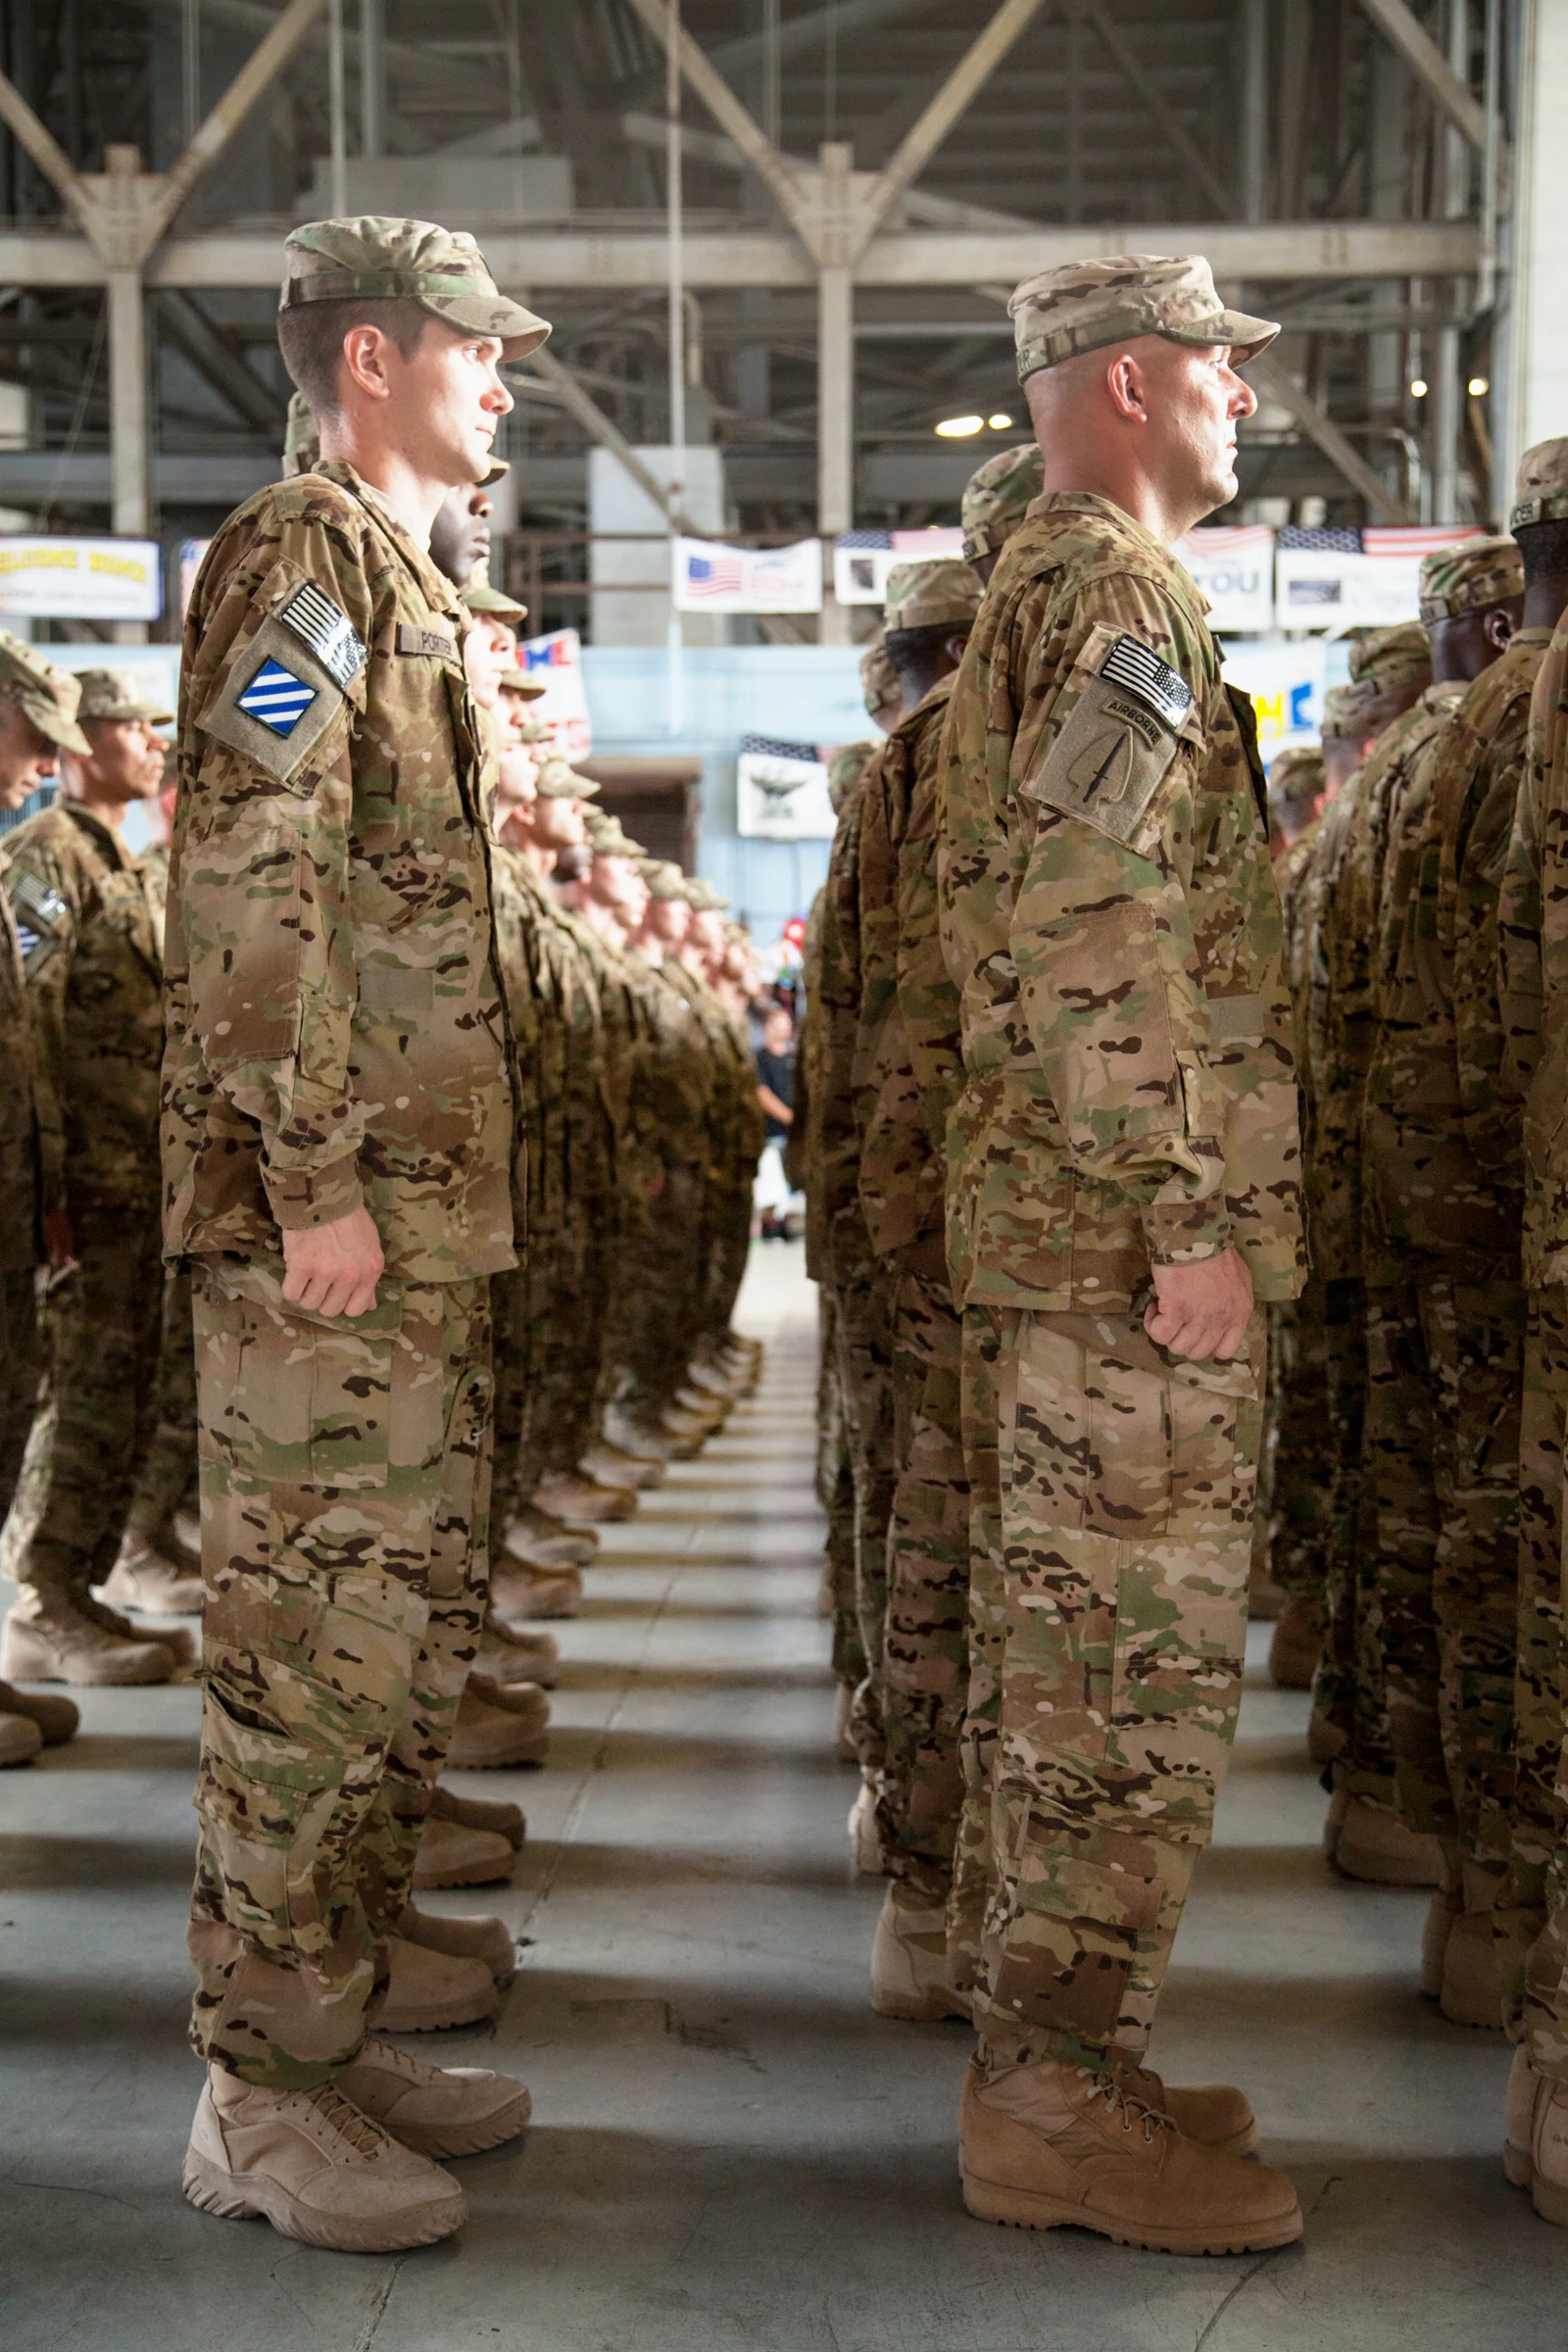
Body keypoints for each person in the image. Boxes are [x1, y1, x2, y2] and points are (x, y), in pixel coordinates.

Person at [166, 215, 551, 2254]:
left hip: (407, 1226)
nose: (507, 377)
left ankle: (333, 2017)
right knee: (305, 1659)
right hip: (330, 1225)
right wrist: (307, 1175)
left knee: (382, 1653)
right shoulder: (302, 558)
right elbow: (250, 878)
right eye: (482, 348)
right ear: (380, 355)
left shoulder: (401, 580)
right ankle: (259, 2091)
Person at [937, 253, 1305, 2253]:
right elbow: (1086, 916)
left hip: (1074, 1243)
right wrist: (1186, 1212)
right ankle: (1054, 2100)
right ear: (1131, 382)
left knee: (1081, 1672)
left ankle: (1059, 2060)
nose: (1240, 402)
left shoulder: (1074, 592)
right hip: (1120, 1259)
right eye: (1217, 374)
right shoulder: (1110, 593)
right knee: (1117, 1689)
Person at [1358, 535, 1534, 2026]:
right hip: (1510, 1215)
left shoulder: (1413, 769)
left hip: (1445, 1210)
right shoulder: (1521, 724)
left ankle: (1480, 1895)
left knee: (1453, 1534)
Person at [0, 667, 191, 1687]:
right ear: (83, 746)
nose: (154, 743)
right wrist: (51, 1184)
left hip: (139, 1180)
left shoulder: (122, 860)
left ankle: (80, 1586)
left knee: (121, 1394)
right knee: (74, 1397)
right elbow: (30, 1022)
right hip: (87, 1184)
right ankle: (40, 1600)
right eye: (137, 728)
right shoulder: (45, 858)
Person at [850, 557, 982, 2021]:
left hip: (942, 1205)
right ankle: (944, 1894)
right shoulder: (965, 742)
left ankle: (927, 1879)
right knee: (986, 1570)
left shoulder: (899, 765)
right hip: (1011, 1218)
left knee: (928, 1530)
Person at [0, 635, 88, 1760]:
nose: (42, 766)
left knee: (10, 1420)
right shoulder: (36, 860)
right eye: (34, 739)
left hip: (14, 1199)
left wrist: (48, 1185)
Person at [753, 1004, 797, 1240]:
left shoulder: (793, 1057)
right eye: (778, 1024)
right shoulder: (761, 1058)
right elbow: (763, 1093)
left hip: (793, 1132)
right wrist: (788, 1117)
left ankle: (784, 1221)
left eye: (786, 1024)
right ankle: (770, 1223)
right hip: (772, 1132)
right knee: (771, 1181)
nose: (784, 1029)